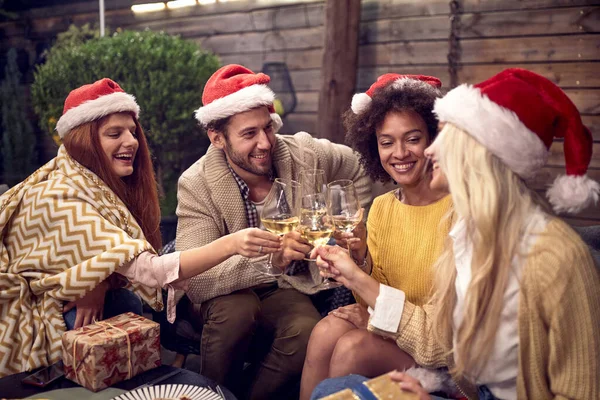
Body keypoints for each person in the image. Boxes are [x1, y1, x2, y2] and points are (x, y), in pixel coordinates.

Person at [311, 68, 600, 399]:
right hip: (464, 383)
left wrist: (360, 282)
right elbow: (436, 341)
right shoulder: (470, 235)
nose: (431, 152)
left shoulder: (557, 256)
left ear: (478, 154)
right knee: (332, 389)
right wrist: (357, 270)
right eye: (388, 141)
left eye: (443, 138)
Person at [0, 78, 281, 378]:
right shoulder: (60, 196)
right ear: (83, 139)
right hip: (35, 311)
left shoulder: (92, 182)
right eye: (114, 133)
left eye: (132, 132)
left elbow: (100, 258)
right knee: (121, 307)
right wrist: (233, 243)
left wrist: (98, 281)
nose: (131, 141)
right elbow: (151, 272)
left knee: (125, 302)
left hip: (91, 299)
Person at [175, 64, 372, 399]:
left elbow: (356, 165)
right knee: (237, 312)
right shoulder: (197, 184)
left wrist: (356, 224)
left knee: (305, 329)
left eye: (268, 127)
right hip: (223, 293)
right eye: (249, 134)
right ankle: (211, 395)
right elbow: (197, 281)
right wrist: (270, 260)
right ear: (217, 137)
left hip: (287, 287)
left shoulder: (304, 154)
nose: (265, 142)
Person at [300, 73, 451, 400]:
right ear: (374, 147)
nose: (400, 153)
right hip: (397, 329)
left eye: (413, 139)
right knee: (326, 330)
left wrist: (363, 292)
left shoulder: (457, 212)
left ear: (434, 139)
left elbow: (443, 340)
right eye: (387, 142)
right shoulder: (382, 207)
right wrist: (359, 261)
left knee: (351, 348)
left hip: (444, 355)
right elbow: (380, 287)